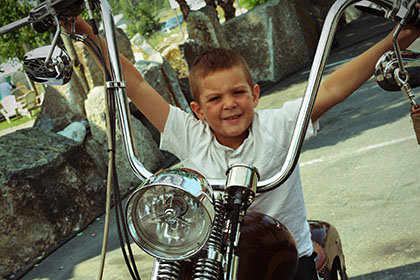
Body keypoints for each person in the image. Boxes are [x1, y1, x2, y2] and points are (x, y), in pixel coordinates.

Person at [74, 17, 420, 279]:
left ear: (254, 95)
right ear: (198, 110)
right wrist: (83, 29)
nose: (229, 104)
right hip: (216, 260)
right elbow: (132, 83)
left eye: (238, 93)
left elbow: (331, 88)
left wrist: (402, 36)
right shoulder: (189, 135)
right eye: (214, 98)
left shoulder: (279, 125)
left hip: (290, 256)